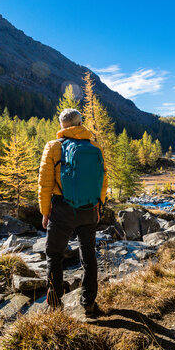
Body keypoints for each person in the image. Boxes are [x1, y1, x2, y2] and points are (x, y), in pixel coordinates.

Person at [38, 108, 108, 316]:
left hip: (62, 208)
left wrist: (45, 212)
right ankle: (88, 303)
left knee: (54, 255)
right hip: (88, 208)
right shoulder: (94, 146)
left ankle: (54, 304)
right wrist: (98, 206)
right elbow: (103, 181)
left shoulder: (53, 147)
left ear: (62, 125)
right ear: (80, 123)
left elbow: (44, 184)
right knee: (88, 256)